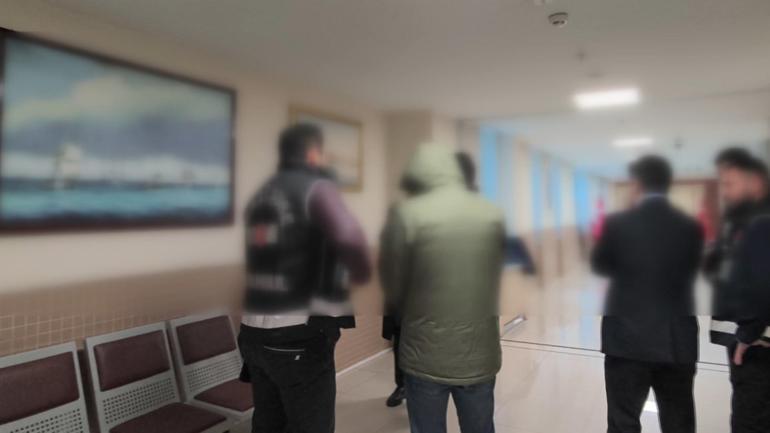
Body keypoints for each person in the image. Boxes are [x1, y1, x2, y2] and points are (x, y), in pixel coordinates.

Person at [238, 123, 371, 433]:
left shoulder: (260, 194)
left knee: (268, 421)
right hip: (297, 334)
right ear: (312, 154)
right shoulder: (317, 190)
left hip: (253, 334)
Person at [379, 143, 505, 433]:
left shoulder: (408, 214)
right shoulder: (490, 214)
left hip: (425, 353)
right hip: (478, 353)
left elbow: (393, 286)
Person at [592, 155, 704, 433]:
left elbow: (600, 265)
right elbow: (693, 269)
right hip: (676, 340)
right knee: (678, 422)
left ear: (637, 184)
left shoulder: (617, 223)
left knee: (623, 421)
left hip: (626, 340)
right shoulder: (690, 226)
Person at [706, 148, 770, 433]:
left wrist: (748, 334)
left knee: (750, 419)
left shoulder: (760, 221)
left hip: (756, 344)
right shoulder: (742, 219)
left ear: (754, 181)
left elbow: (762, 282)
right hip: (751, 336)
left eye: (730, 183)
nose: (725, 191)